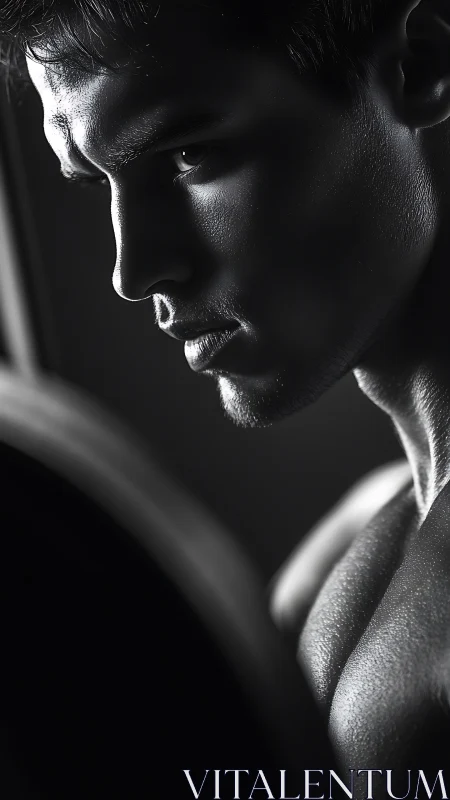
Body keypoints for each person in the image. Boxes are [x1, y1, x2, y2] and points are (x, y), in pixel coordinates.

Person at [2, 0, 450, 779]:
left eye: (187, 156)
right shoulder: (346, 553)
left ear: (419, 69)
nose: (133, 271)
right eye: (95, 180)